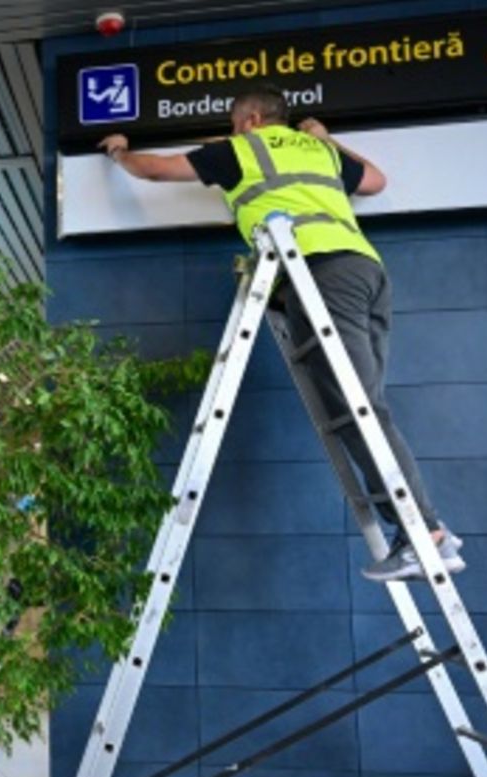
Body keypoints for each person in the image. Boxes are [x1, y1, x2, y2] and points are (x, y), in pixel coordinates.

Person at [98, 85, 465, 582]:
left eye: (232, 123)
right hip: (364, 271)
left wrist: (120, 152)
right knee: (364, 406)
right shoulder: (316, 149)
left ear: (249, 119)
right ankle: (423, 531)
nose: (230, 132)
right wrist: (328, 139)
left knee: (357, 410)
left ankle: (425, 534)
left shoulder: (243, 149)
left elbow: (156, 169)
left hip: (318, 272)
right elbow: (376, 181)